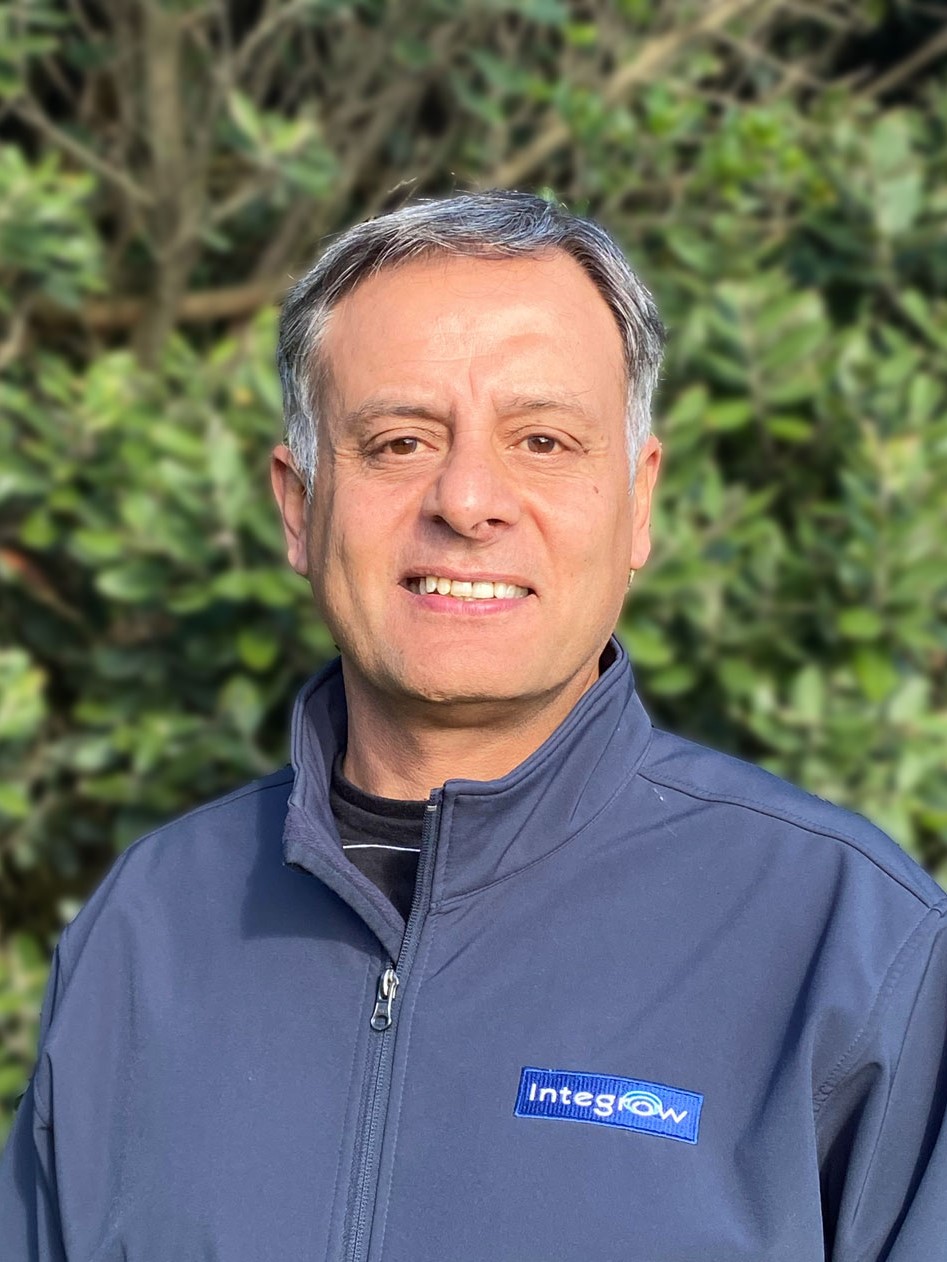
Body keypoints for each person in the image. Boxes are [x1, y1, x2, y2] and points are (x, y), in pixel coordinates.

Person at [1, 191, 945, 1262]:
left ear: (636, 501)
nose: (466, 500)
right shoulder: (146, 930)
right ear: (297, 505)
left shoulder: (852, 947)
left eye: (542, 440)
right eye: (398, 441)